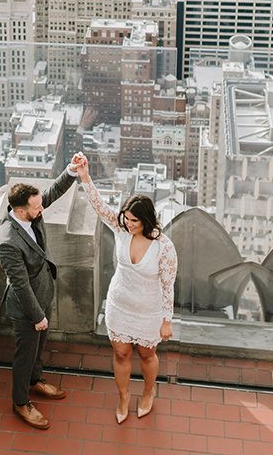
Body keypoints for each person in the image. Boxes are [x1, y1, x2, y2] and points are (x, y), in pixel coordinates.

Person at [71, 156, 178, 424]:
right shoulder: (120, 229)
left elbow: (168, 285)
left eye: (134, 220)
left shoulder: (164, 247)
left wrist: (167, 320)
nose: (129, 224)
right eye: (126, 219)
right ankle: (123, 396)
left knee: (147, 354)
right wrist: (85, 176)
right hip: (119, 304)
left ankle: (148, 392)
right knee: (120, 354)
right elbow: (99, 206)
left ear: (146, 220)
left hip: (149, 310)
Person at [0, 152, 86, 430]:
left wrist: (71, 169)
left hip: (43, 291)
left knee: (40, 347)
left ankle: (35, 381)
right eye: (36, 207)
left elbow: (53, 191)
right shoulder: (8, 242)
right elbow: (20, 285)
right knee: (25, 353)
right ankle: (21, 401)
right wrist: (37, 316)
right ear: (20, 211)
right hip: (26, 307)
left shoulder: (30, 208)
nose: (41, 209)